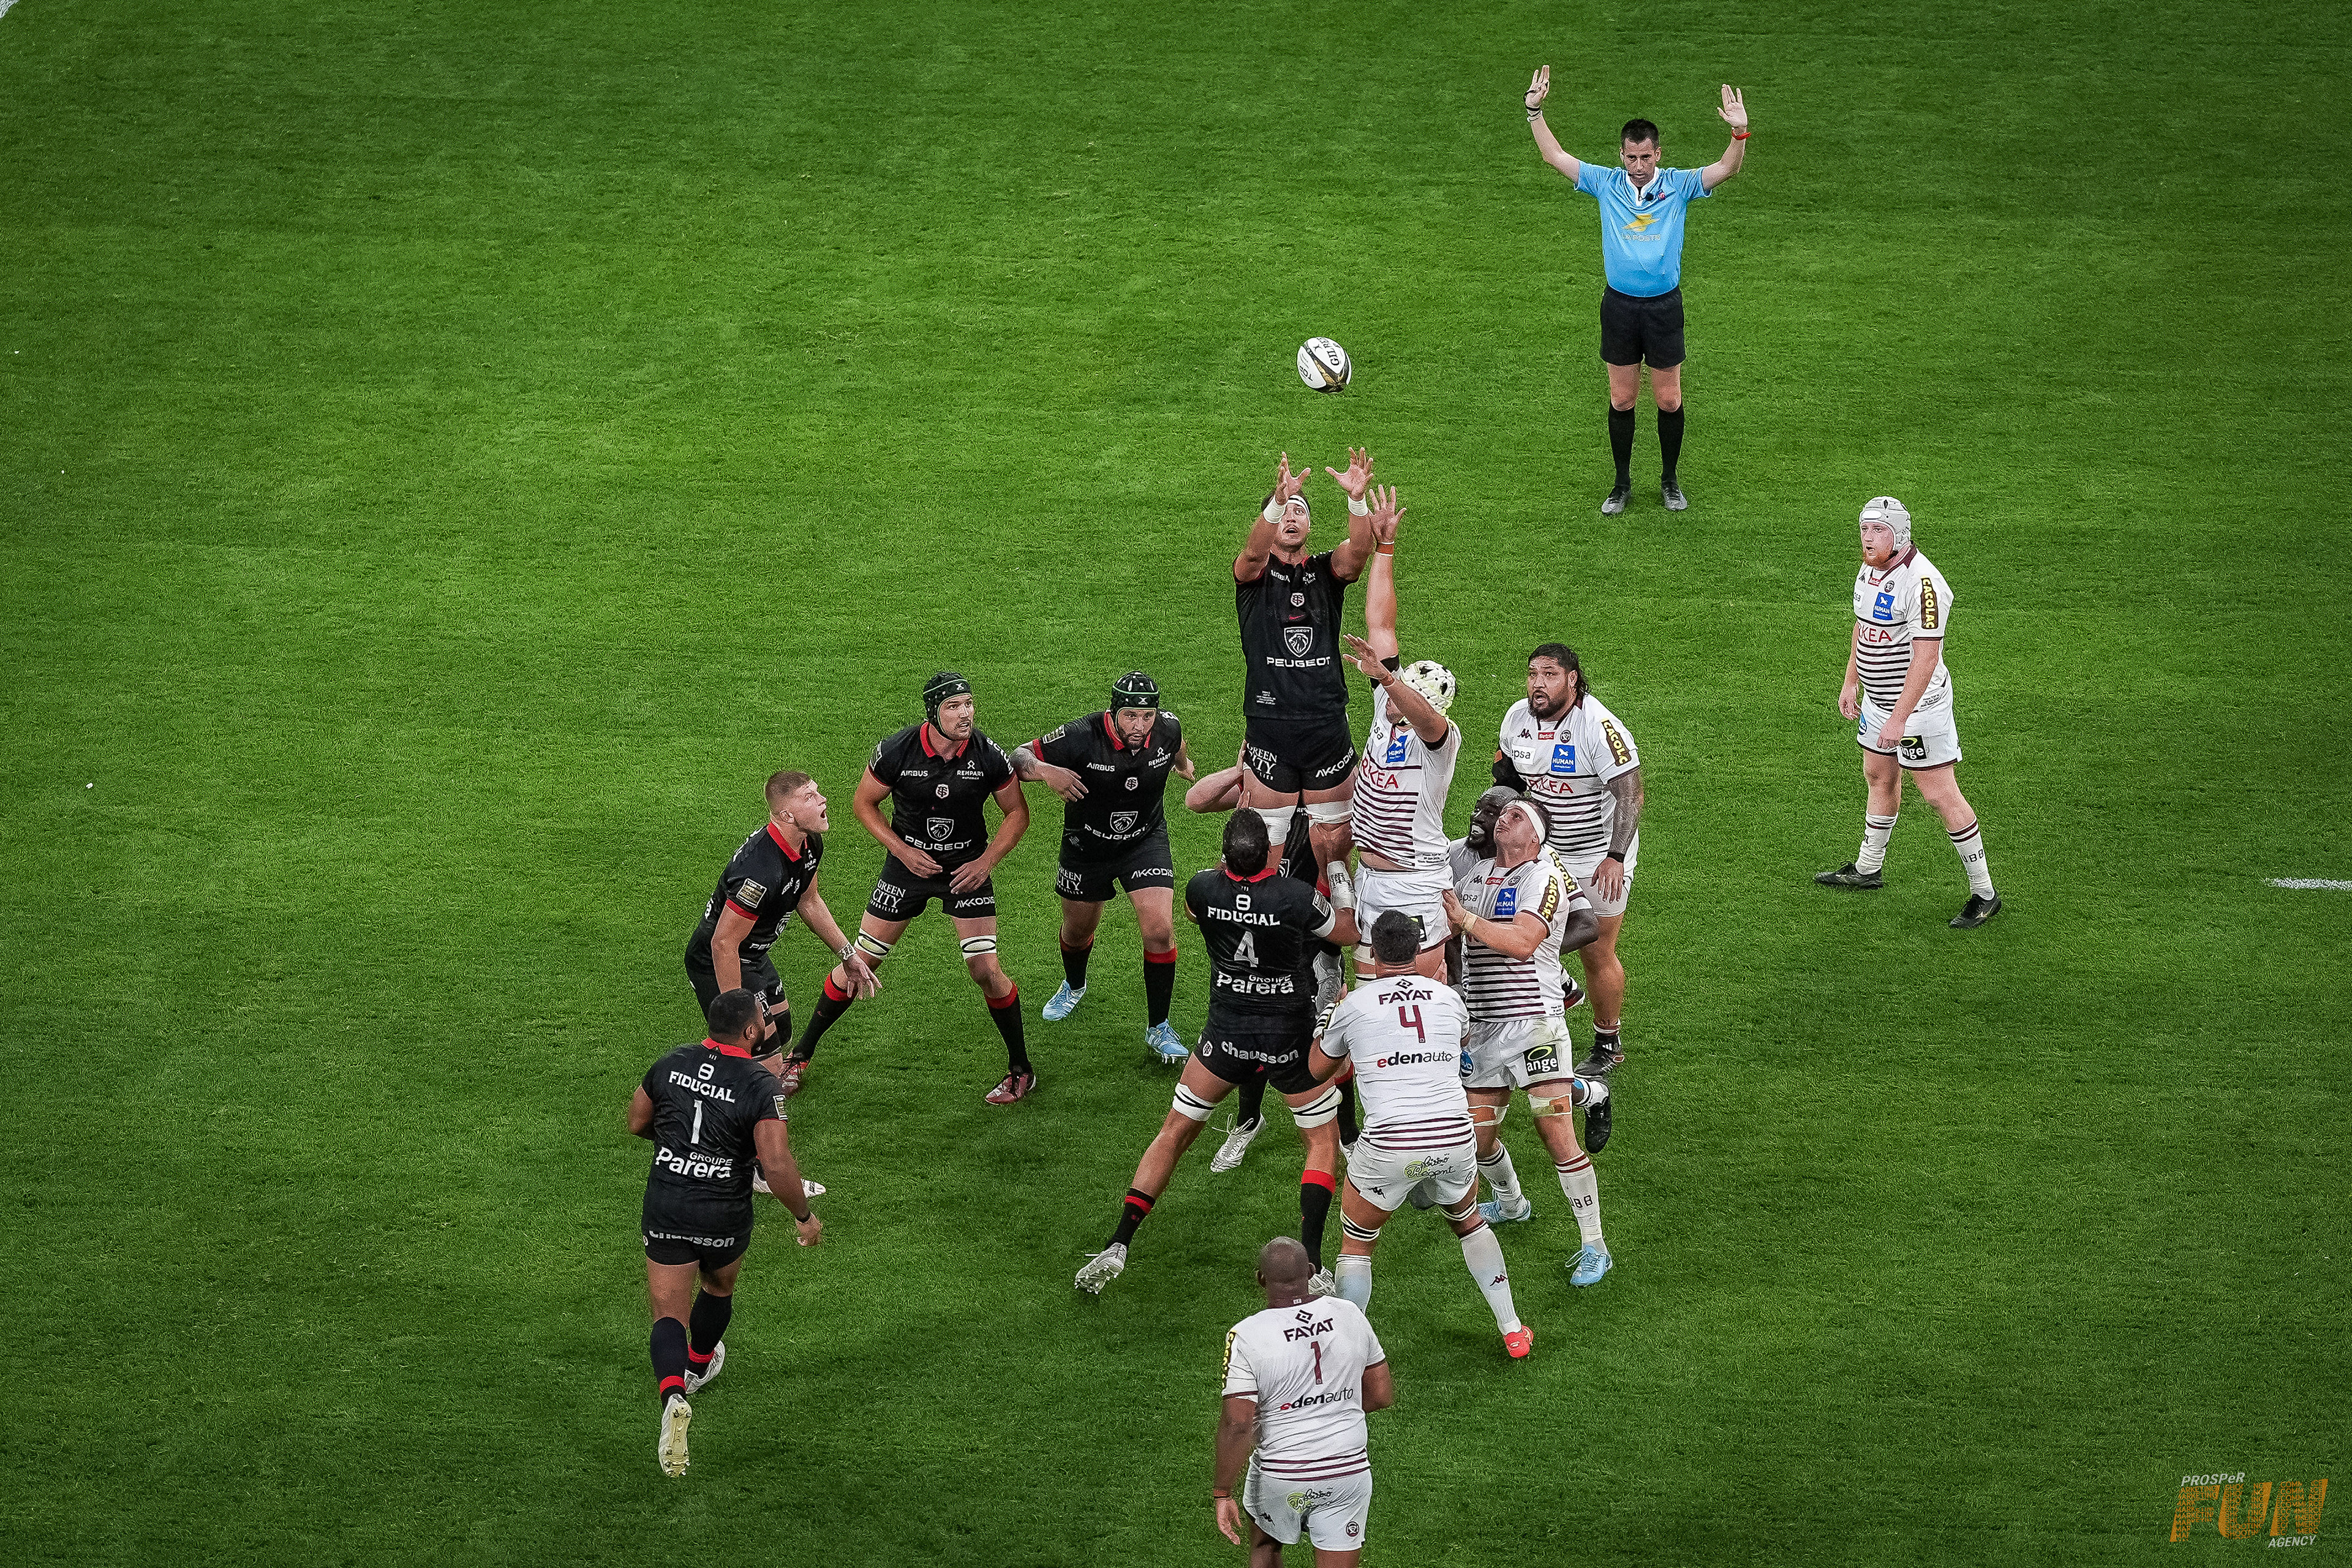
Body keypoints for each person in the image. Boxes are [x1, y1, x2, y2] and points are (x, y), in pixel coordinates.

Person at [1074, 810, 1359, 1295]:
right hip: (1287, 1038)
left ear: (1225, 855)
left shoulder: (1202, 889)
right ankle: (1312, 1265)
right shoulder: (1295, 897)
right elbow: (1347, 932)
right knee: (1321, 1142)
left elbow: (1195, 910)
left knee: (1173, 1133)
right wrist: (1334, 863)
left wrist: (1229, 877)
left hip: (1224, 1038)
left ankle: (1119, 1242)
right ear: (1269, 854)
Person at [780, 671, 1039, 1104]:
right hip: (907, 869)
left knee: (985, 970)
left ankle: (1021, 1070)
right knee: (860, 962)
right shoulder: (897, 750)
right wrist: (902, 851)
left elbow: (1017, 813)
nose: (966, 714)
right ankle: (800, 1056)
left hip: (965, 872)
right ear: (933, 713)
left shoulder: (988, 754)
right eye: (954, 707)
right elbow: (864, 802)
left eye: (969, 704)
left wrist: (985, 862)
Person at [1309, 912, 1536, 1357]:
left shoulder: (1354, 1007)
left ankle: (1349, 1353)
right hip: (1454, 1136)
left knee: (1357, 1244)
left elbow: (1318, 1070)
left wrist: (1327, 1017)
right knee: (1469, 1222)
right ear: (1418, 950)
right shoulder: (1449, 999)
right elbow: (1460, 1044)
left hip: (1390, 1144)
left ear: (1372, 952)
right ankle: (1512, 1329)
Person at [1524, 70, 1751, 514]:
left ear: (1657, 154)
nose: (1639, 165)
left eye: (1646, 157)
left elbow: (1727, 168)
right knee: (1622, 398)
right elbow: (1554, 155)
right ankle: (1621, 484)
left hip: (1664, 307)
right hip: (1620, 307)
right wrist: (1535, 111)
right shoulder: (1605, 182)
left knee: (1669, 398)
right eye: (1631, 157)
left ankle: (1669, 481)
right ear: (1622, 155)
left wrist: (1739, 132)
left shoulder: (1679, 185)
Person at [628, 989, 823, 1477]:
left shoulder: (672, 1062)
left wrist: (678, 1149)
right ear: (751, 1031)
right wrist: (803, 1215)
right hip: (724, 1211)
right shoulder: (761, 1084)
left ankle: (674, 1396)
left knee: (667, 1313)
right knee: (718, 1287)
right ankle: (698, 1365)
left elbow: (637, 1121)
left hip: (670, 1202)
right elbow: (776, 1164)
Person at [1441, 798, 1616, 1287]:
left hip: (1534, 1024)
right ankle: (1513, 1203)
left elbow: (1522, 944)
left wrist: (1465, 920)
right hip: (1484, 1028)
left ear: (1535, 836)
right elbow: (1450, 934)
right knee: (1476, 1142)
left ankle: (1595, 1246)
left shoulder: (1543, 877)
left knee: (1554, 1132)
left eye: (1516, 816)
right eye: (1504, 813)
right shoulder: (1475, 876)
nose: (1503, 818)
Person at [1817, 497, 2002, 927]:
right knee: (1878, 776)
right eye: (1864, 529)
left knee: (1939, 794)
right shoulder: (1870, 569)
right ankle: (1868, 868)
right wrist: (1851, 680)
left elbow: (1927, 657)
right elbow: (1863, 627)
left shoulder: (1923, 584)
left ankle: (1985, 893)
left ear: (1900, 535)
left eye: (1878, 530)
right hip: (1877, 702)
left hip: (1919, 709)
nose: (1867, 539)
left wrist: (1900, 718)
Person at [1185, 752, 1360, 1175]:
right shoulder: (1265, 787)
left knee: (1329, 1037)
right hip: (1261, 925)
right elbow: (1196, 800)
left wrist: (1336, 861)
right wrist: (1240, 772)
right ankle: (1248, 1121)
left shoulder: (1329, 792)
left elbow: (1356, 835)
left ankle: (1349, 1134)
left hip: (1314, 925)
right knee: (1253, 1023)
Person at [1013, 670, 1197, 1061]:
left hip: (1145, 841)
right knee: (1078, 932)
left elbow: (1177, 743)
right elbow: (1019, 756)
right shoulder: (1081, 735)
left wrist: (1183, 764)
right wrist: (1046, 771)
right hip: (1087, 846)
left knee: (1160, 931)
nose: (1139, 726)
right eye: (1130, 716)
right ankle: (1074, 985)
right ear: (1114, 713)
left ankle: (1159, 1027)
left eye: (1147, 716)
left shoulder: (1166, 729)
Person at [1494, 644, 1645, 1076]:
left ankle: (1608, 1042)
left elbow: (1631, 795)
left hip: (1598, 856)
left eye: (1549, 675)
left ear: (1572, 680)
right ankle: (1560, 985)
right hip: (1545, 852)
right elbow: (1507, 777)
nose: (1538, 684)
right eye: (1532, 674)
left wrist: (1615, 857)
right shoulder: (1517, 718)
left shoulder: (1599, 727)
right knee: (1517, 928)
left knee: (1597, 951)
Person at [1333, 482, 1460, 977]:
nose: (1391, 702)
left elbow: (1426, 719)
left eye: (1405, 694)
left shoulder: (1439, 741)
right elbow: (1381, 625)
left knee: (1412, 991)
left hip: (1413, 884)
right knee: (1378, 989)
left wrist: (1389, 680)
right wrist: (1385, 547)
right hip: (1371, 878)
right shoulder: (1387, 703)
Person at [1234, 448, 1379, 872]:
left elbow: (1359, 552)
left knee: (1335, 852)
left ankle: (1333, 911)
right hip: (1270, 726)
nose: (1291, 517)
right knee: (1264, 851)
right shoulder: (1253, 574)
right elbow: (1253, 555)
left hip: (1325, 725)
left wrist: (1356, 500)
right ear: (1270, 521)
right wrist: (1278, 501)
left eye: (1299, 511)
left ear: (1310, 525)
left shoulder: (1325, 570)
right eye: (1283, 511)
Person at [1214, 1237, 1395, 1567]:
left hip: (1281, 1473)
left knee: (1266, 1548)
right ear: (1311, 1272)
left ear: (1260, 1279)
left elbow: (1238, 1424)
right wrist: (1330, 1407)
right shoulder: (1350, 1314)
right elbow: (1381, 1394)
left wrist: (1222, 1492)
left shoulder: (1247, 1335)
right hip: (1347, 1471)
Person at [682, 770, 878, 1066]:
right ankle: (709, 1079)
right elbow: (723, 944)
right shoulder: (759, 873)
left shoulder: (809, 842)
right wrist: (738, 1011)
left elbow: (809, 902)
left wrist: (848, 955)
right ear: (787, 815)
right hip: (717, 960)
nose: (823, 799)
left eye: (817, 791)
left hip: (753, 955)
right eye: (809, 797)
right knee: (760, 1052)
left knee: (781, 1029)